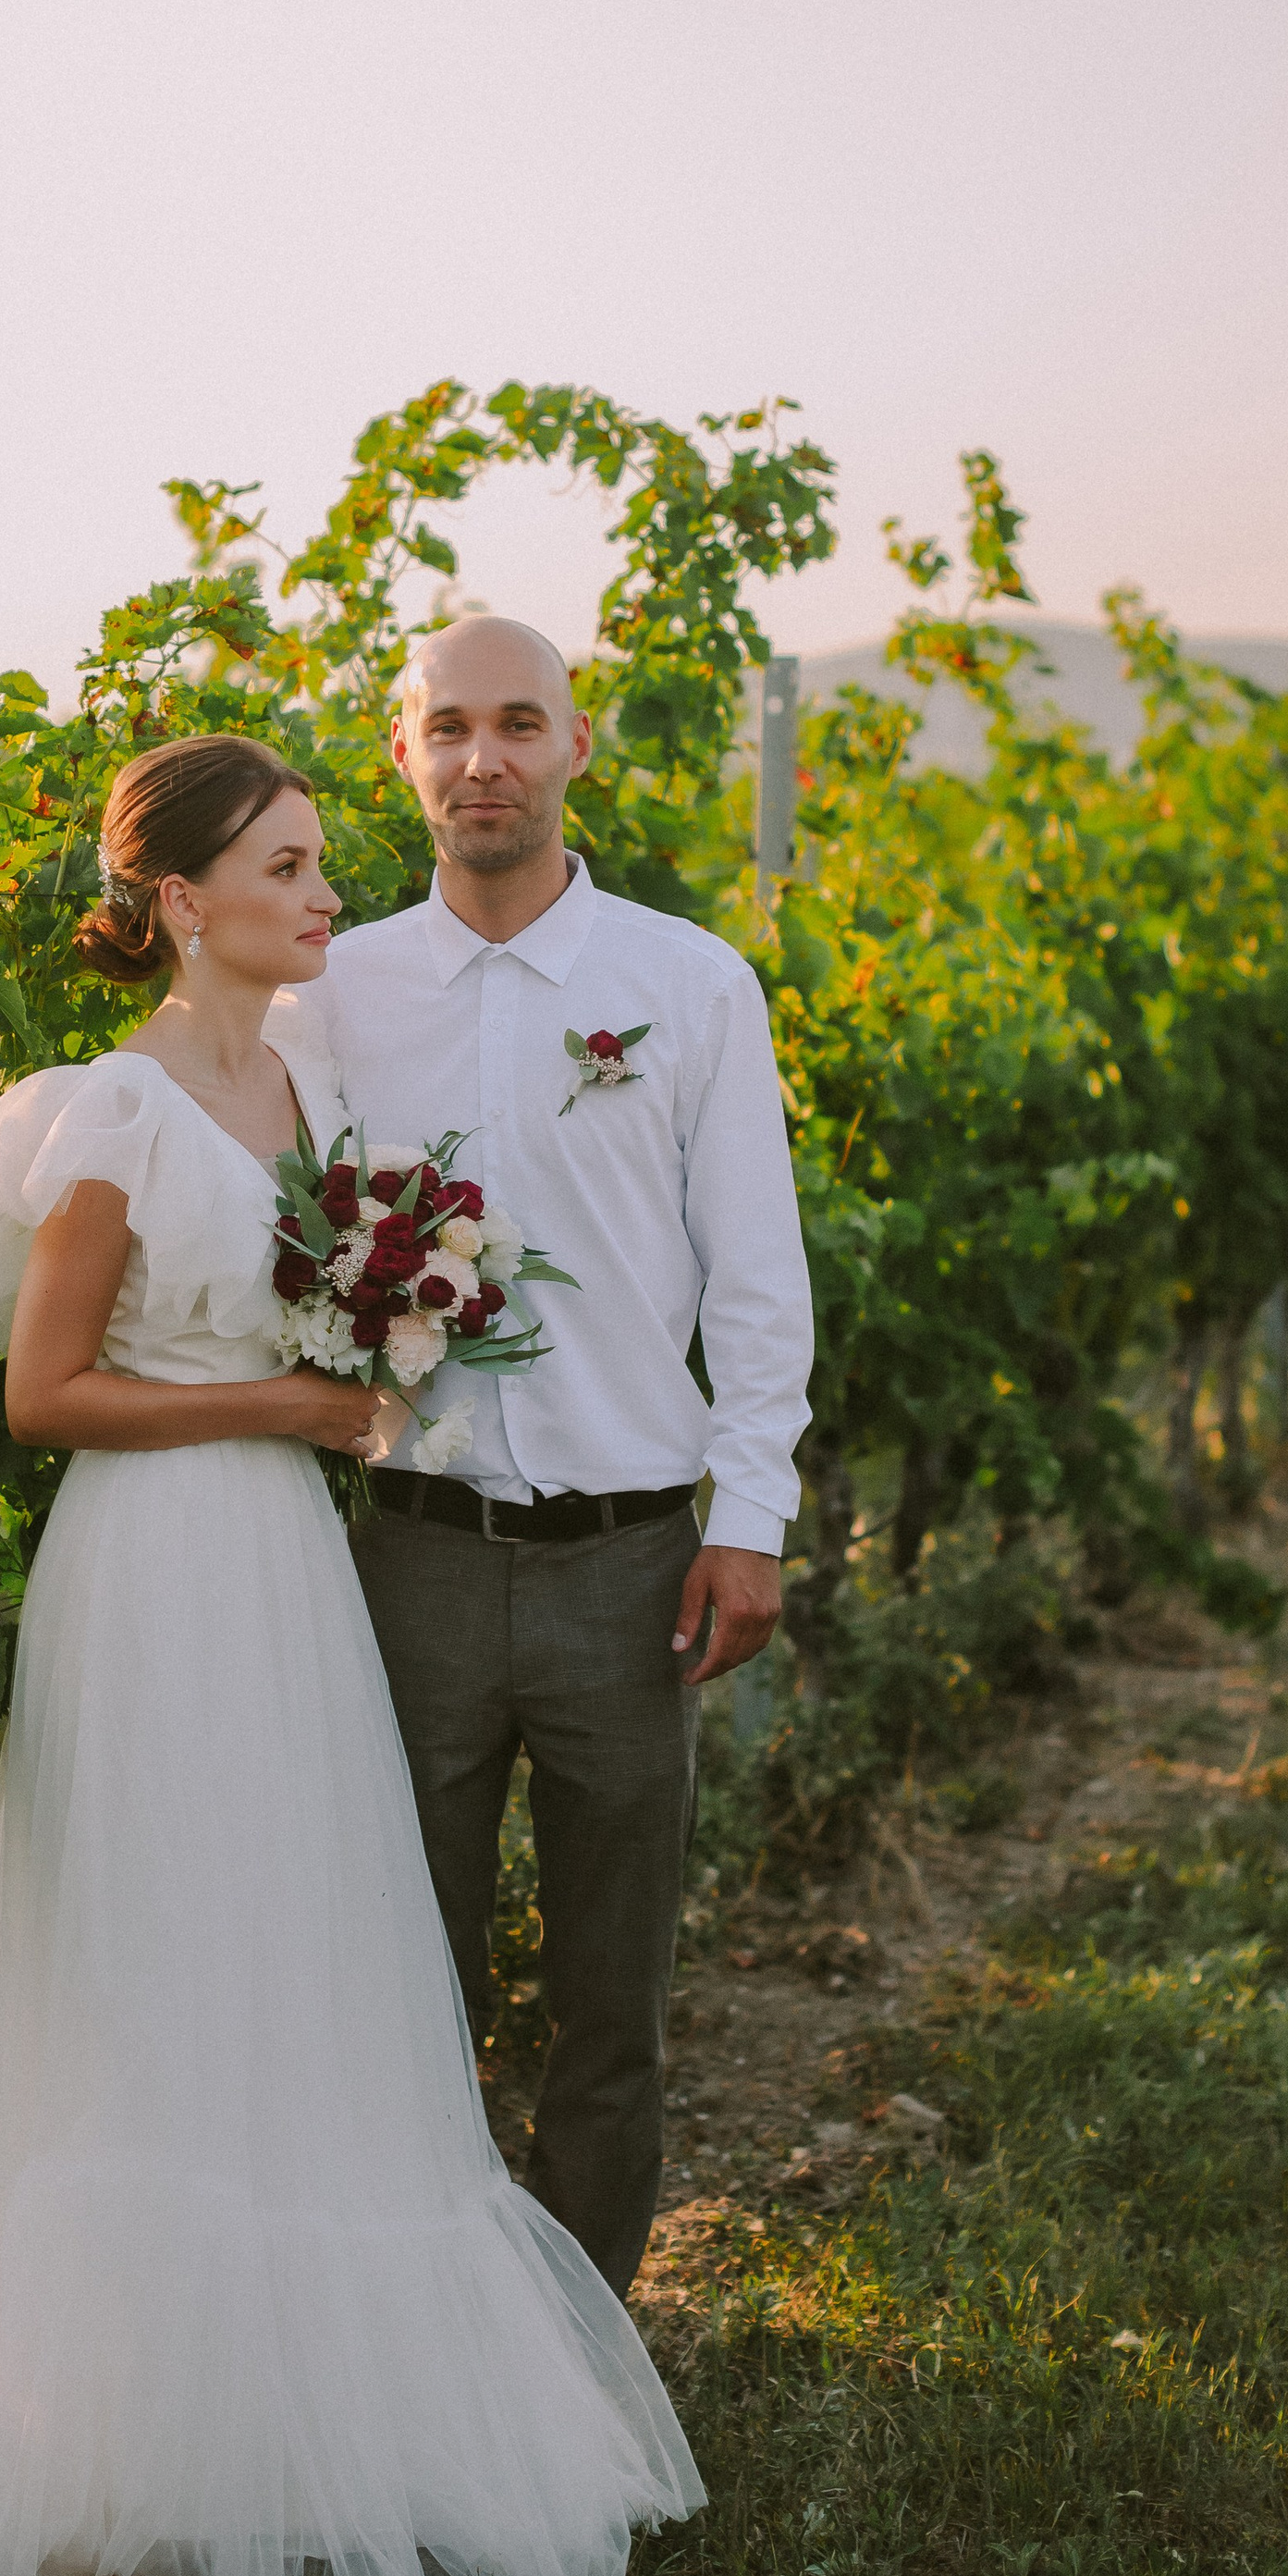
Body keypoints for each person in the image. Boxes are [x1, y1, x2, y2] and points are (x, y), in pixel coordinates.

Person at [0, 733, 702, 2576]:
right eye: (285, 867)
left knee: (287, 1939)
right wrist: (291, 1397)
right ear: (181, 899)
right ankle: (120, 2427)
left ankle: (294, 2415)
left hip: (286, 1562)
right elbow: (45, 1394)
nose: (320, 896)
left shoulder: (298, 1078)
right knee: (145, 1946)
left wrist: (385, 1335)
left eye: (317, 862)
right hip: (151, 1562)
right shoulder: (111, 1117)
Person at [272, 618, 813, 2299]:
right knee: (400, 1983)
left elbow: (758, 1275)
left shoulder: (686, 984)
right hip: (407, 1558)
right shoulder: (331, 988)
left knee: (610, 2000)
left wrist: (753, 1517)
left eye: (519, 725)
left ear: (578, 746)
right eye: (450, 728)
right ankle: (425, 2327)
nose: (483, 759)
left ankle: (587, 2343)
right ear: (403, 754)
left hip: (630, 1569)